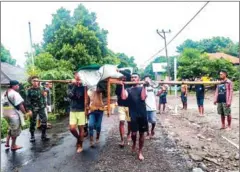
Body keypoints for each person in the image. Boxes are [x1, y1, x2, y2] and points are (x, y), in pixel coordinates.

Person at [121, 73, 148, 161]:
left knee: (141, 134)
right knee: (133, 133)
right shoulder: (128, 89)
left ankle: (140, 151)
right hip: (133, 114)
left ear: (138, 79)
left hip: (142, 114)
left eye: (135, 77)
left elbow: (143, 98)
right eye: (132, 77)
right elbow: (123, 97)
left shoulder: (142, 88)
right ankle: (133, 144)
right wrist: (122, 86)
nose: (133, 78)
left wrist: (144, 86)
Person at [3, 80, 31, 150]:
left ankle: (7, 143)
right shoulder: (15, 93)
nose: (18, 86)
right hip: (13, 114)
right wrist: (25, 113)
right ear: (14, 86)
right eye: (17, 85)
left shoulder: (5, 93)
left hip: (6, 113)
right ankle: (13, 145)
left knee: (11, 127)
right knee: (15, 129)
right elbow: (20, 105)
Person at [26, 76, 50, 142]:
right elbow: (28, 101)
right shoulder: (29, 90)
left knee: (44, 121)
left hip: (41, 107)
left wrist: (46, 105)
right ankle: (32, 136)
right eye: (34, 81)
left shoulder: (42, 88)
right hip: (33, 108)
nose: (36, 82)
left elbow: (44, 97)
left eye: (37, 81)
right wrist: (29, 110)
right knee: (32, 122)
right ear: (31, 82)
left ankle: (43, 135)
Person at [67, 72, 86, 153]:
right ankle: (79, 139)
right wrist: (74, 85)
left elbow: (87, 98)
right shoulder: (70, 85)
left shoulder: (84, 86)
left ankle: (80, 145)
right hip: (73, 109)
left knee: (81, 129)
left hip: (82, 110)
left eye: (79, 74)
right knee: (72, 129)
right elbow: (70, 95)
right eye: (76, 75)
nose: (78, 76)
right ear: (74, 76)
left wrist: (87, 109)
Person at [115, 70, 131, 147]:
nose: (123, 78)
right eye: (122, 77)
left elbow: (129, 74)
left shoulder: (130, 84)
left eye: (124, 77)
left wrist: (120, 70)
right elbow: (117, 94)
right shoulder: (118, 84)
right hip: (121, 105)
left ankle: (128, 134)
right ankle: (122, 139)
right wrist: (121, 85)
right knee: (121, 122)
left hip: (130, 106)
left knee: (129, 122)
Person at [87, 84, 105, 148]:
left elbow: (102, 89)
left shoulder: (100, 89)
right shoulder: (88, 91)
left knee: (98, 126)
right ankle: (91, 141)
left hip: (100, 110)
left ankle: (97, 137)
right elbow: (87, 101)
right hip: (92, 110)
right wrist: (87, 109)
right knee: (91, 125)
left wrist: (98, 88)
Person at [144, 75, 157, 139]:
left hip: (152, 106)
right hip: (144, 107)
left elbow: (158, 94)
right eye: (145, 79)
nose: (147, 80)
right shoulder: (142, 87)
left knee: (153, 121)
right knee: (145, 121)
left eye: (148, 79)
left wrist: (162, 90)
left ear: (150, 80)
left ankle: (152, 129)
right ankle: (147, 133)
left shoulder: (153, 87)